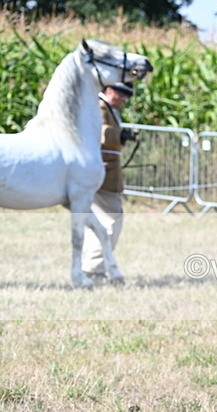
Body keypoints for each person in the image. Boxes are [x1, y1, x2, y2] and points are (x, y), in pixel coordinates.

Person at [82, 81, 137, 281]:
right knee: (110, 220)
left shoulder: (108, 108)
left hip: (105, 174)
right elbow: (99, 132)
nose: (124, 99)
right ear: (109, 90)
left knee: (99, 222)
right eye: (121, 94)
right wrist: (120, 134)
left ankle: (92, 266)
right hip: (102, 176)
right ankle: (94, 269)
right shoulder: (99, 106)